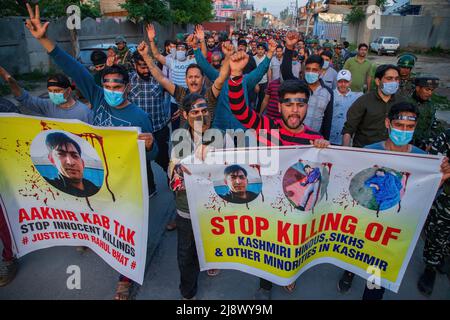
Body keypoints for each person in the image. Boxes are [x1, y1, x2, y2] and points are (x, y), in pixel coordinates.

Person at [24, 3, 157, 300]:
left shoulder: (138, 117)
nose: (110, 87)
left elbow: (149, 157)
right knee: (94, 218)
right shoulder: (96, 98)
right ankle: (87, 236)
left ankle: (126, 277)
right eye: (107, 83)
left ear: (126, 87)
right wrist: (45, 40)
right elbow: (71, 67)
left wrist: (150, 146)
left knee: (127, 231)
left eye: (116, 84)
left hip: (126, 183)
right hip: (97, 176)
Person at [227, 51, 330, 299]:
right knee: (267, 247)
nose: (294, 110)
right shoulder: (265, 127)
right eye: (288, 103)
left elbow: (326, 180)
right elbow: (239, 109)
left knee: (293, 245)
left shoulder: (314, 140)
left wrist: (326, 153)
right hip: (267, 207)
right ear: (279, 105)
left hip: (296, 209)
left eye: (300, 103)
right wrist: (235, 75)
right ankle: (265, 284)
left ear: (307, 105)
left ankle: (288, 275)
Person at [338, 101, 450, 299]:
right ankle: (349, 272)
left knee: (374, 283)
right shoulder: (368, 151)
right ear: (388, 123)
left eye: (410, 127)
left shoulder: (422, 160)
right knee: (354, 255)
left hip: (388, 234)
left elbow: (423, 195)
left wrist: (440, 180)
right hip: (363, 223)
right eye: (399, 125)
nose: (404, 130)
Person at [169, 93, 233, 300]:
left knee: (212, 241)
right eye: (195, 112)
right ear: (186, 115)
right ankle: (188, 293)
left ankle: (211, 263)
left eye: (204, 110)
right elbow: (173, 178)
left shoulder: (224, 138)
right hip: (187, 209)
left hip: (215, 207)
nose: (201, 115)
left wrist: (216, 155)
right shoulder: (180, 139)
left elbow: (236, 170)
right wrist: (187, 164)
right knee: (186, 253)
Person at [128, 50, 171, 198]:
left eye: (148, 66)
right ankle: (150, 188)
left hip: (159, 129)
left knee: (165, 160)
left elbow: (174, 93)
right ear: (135, 66)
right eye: (142, 67)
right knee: (143, 164)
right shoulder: (128, 81)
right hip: (138, 133)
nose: (146, 70)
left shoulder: (159, 79)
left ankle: (173, 181)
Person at [280, 32, 334, 140]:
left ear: (320, 72)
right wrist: (289, 47)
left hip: (314, 140)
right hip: (293, 137)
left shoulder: (328, 93)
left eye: (314, 70)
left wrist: (324, 141)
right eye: (308, 69)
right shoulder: (298, 87)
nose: (310, 72)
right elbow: (286, 72)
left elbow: (327, 121)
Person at [146, 24, 196, 131]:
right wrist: (151, 40)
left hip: (190, 100)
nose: (180, 50)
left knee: (192, 129)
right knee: (176, 130)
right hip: (174, 101)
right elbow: (157, 55)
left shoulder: (191, 60)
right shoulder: (171, 61)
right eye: (178, 48)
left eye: (183, 48)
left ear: (187, 51)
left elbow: (204, 56)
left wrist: (199, 42)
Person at [418, 128, 450, 296]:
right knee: (437, 235)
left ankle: (444, 257)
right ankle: (430, 268)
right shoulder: (447, 136)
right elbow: (434, 165)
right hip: (446, 201)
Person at [0, 66, 92, 123]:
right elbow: (24, 98)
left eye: (57, 91)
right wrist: (9, 80)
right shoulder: (48, 105)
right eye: (50, 91)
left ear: (68, 91)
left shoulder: (83, 112)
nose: (53, 94)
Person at [342, 64, 404, 147]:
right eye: (389, 78)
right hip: (365, 151)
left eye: (396, 79)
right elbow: (348, 130)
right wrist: (345, 152)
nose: (394, 82)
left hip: (391, 152)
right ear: (378, 81)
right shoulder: (363, 101)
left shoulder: (402, 103)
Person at [43, 132, 100, 197]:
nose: (70, 162)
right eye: (61, 154)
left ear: (83, 163)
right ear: (52, 159)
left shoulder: (97, 192)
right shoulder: (48, 189)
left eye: (74, 156)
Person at [329, 70, 363, 145]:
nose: (343, 84)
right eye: (340, 81)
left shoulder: (357, 97)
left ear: (350, 82)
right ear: (337, 82)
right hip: (329, 138)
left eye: (346, 82)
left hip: (347, 140)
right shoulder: (330, 95)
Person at [410, 76, 444, 150]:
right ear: (418, 88)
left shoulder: (430, 105)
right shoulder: (406, 103)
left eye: (432, 90)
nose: (430, 93)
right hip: (408, 144)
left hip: (425, 145)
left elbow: (433, 124)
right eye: (427, 89)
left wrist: (432, 141)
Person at [254, 43, 269, 113]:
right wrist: (255, 83)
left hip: (264, 82)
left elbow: (269, 71)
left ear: (264, 50)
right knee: (252, 99)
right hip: (253, 82)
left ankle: (258, 114)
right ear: (256, 49)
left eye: (262, 49)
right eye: (259, 49)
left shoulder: (267, 59)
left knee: (261, 99)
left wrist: (269, 83)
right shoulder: (253, 58)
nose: (260, 51)